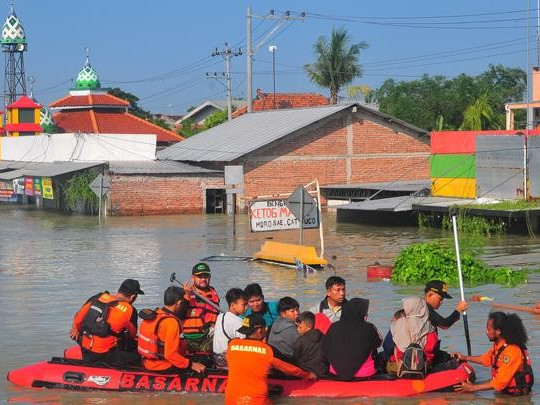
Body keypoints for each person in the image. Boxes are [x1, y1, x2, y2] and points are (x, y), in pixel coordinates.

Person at [225, 313, 316, 405]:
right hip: (257, 401)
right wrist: (308, 375)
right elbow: (288, 368)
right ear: (260, 330)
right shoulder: (267, 350)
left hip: (230, 400)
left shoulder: (232, 345)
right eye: (265, 328)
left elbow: (246, 361)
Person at [454, 312, 533, 396]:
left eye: (489, 329)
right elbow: (486, 359)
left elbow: (501, 382)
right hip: (505, 393)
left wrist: (473, 387)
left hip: (515, 398)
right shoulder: (500, 345)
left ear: (498, 331)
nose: (486, 332)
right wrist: (464, 357)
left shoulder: (512, 350)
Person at [70, 279, 143, 366]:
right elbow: (132, 334)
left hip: (85, 349)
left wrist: (75, 330)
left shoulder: (99, 297)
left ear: (119, 290)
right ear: (133, 296)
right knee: (137, 357)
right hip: (104, 354)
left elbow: (78, 318)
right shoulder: (130, 310)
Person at [138, 286, 205, 374]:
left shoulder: (155, 314)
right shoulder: (171, 323)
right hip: (163, 365)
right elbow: (170, 355)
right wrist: (191, 364)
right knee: (204, 361)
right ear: (179, 302)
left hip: (147, 362)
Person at [323, 298, 382, 380]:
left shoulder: (333, 327)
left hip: (335, 372)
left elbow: (325, 347)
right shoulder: (368, 328)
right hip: (364, 373)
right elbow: (378, 343)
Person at [387, 297, 438, 372]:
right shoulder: (429, 326)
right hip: (423, 367)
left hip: (400, 365)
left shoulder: (397, 324)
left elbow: (387, 346)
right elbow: (432, 347)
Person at [424, 280, 468, 364]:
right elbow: (445, 324)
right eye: (440, 299)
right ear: (430, 295)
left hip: (426, 352)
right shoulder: (423, 308)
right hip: (422, 354)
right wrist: (458, 310)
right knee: (457, 362)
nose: (441, 302)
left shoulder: (424, 308)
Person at [181, 262, 220, 353]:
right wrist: (186, 296)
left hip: (207, 336)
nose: (203, 279)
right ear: (192, 278)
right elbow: (179, 314)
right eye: (200, 277)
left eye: (206, 276)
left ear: (209, 277)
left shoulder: (213, 293)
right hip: (189, 337)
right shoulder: (185, 293)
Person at [213, 288, 248, 368]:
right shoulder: (239, 322)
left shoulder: (220, 316)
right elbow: (244, 346)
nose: (246, 308)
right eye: (244, 304)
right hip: (227, 360)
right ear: (232, 305)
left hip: (216, 358)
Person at [293, 311, 328, 378]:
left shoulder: (300, 340)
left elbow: (295, 359)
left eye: (300, 327)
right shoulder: (324, 337)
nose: (297, 330)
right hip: (323, 373)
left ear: (309, 326)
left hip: (306, 373)